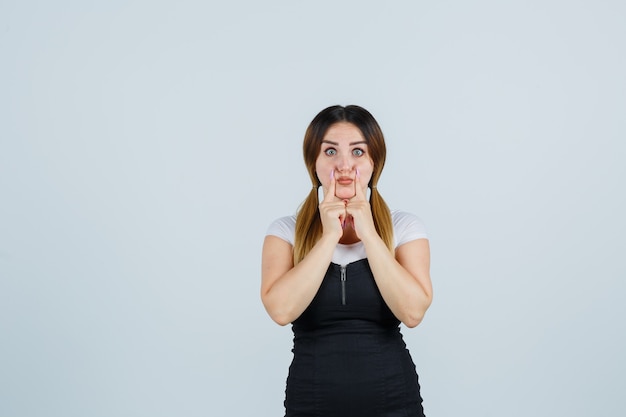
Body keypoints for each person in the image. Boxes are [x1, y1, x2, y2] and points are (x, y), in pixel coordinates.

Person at [261, 105, 433, 417]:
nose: (344, 165)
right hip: (309, 404)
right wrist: (327, 237)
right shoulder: (284, 232)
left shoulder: (405, 228)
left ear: (374, 162)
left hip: (395, 403)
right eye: (330, 151)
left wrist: (369, 233)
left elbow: (412, 312)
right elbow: (281, 310)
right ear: (313, 162)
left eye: (357, 152)